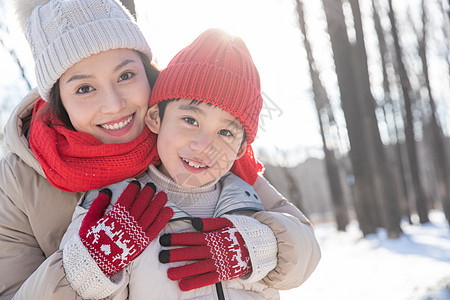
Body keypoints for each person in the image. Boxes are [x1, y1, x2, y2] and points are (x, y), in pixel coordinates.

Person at [0, 0, 320, 299]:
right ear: (58, 103)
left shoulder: (189, 134)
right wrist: (84, 269)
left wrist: (261, 245)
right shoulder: (19, 181)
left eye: (126, 75)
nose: (113, 105)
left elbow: (304, 246)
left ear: (148, 71)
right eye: (84, 88)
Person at [61, 28, 299, 299]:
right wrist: (93, 267)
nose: (203, 145)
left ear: (240, 149)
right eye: (190, 120)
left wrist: (260, 247)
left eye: (225, 133)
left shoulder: (253, 204)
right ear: (155, 119)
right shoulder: (114, 203)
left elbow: (301, 249)